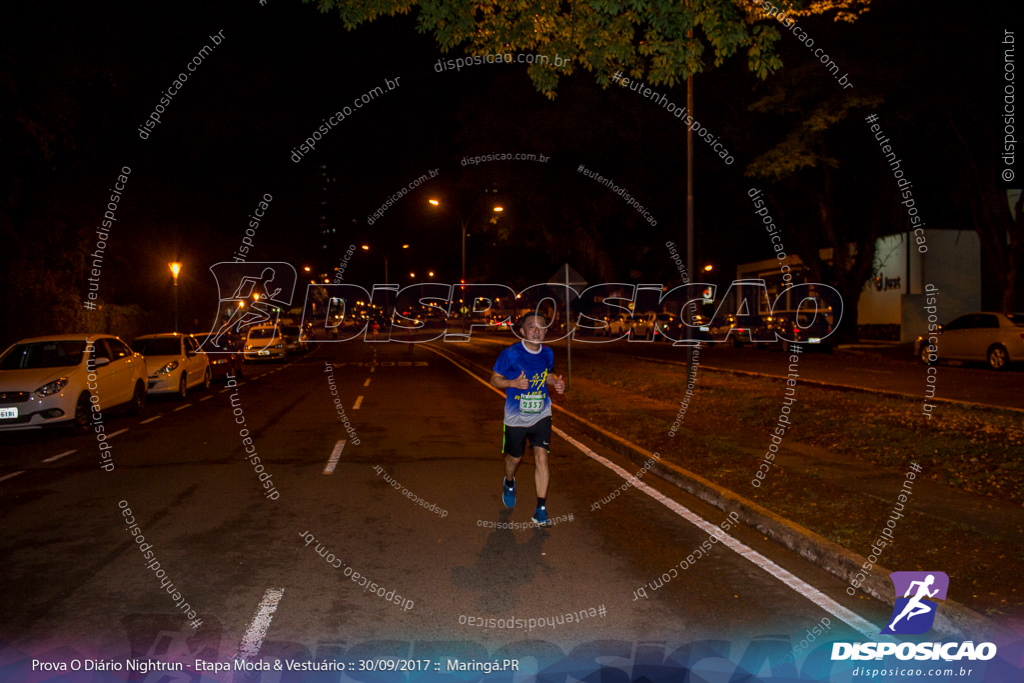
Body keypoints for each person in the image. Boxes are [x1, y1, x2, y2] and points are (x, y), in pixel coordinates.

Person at [489, 312, 566, 526]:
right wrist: (512, 383)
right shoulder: (511, 354)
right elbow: (494, 379)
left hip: (541, 413)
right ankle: (509, 482)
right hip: (516, 417)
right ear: (522, 331)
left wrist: (556, 383)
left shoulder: (547, 353)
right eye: (531, 326)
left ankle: (540, 508)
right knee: (515, 458)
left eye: (541, 326)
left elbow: (548, 374)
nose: (536, 330)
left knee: (542, 457)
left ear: (545, 331)